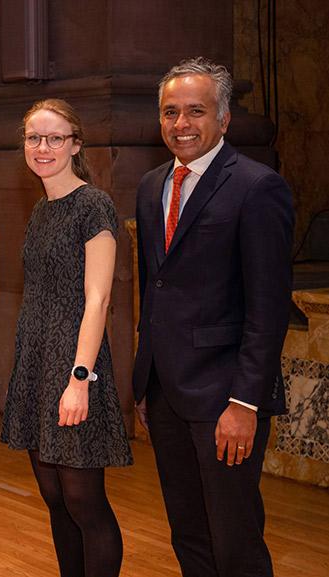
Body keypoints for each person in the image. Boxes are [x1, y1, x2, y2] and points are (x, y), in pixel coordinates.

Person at [133, 57, 293, 577]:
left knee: (234, 541)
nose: (181, 124)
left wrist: (244, 402)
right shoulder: (151, 185)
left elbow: (267, 309)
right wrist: (144, 382)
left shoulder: (256, 186)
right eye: (170, 112)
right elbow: (154, 290)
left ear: (223, 119)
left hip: (226, 397)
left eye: (195, 111)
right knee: (189, 535)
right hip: (165, 395)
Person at [1, 99, 132, 577]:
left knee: (84, 502)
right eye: (34, 137)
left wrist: (80, 379)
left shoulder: (93, 204)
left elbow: (97, 300)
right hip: (37, 364)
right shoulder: (40, 209)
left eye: (55, 138)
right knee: (54, 497)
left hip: (76, 365)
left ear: (75, 145)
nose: (43, 147)